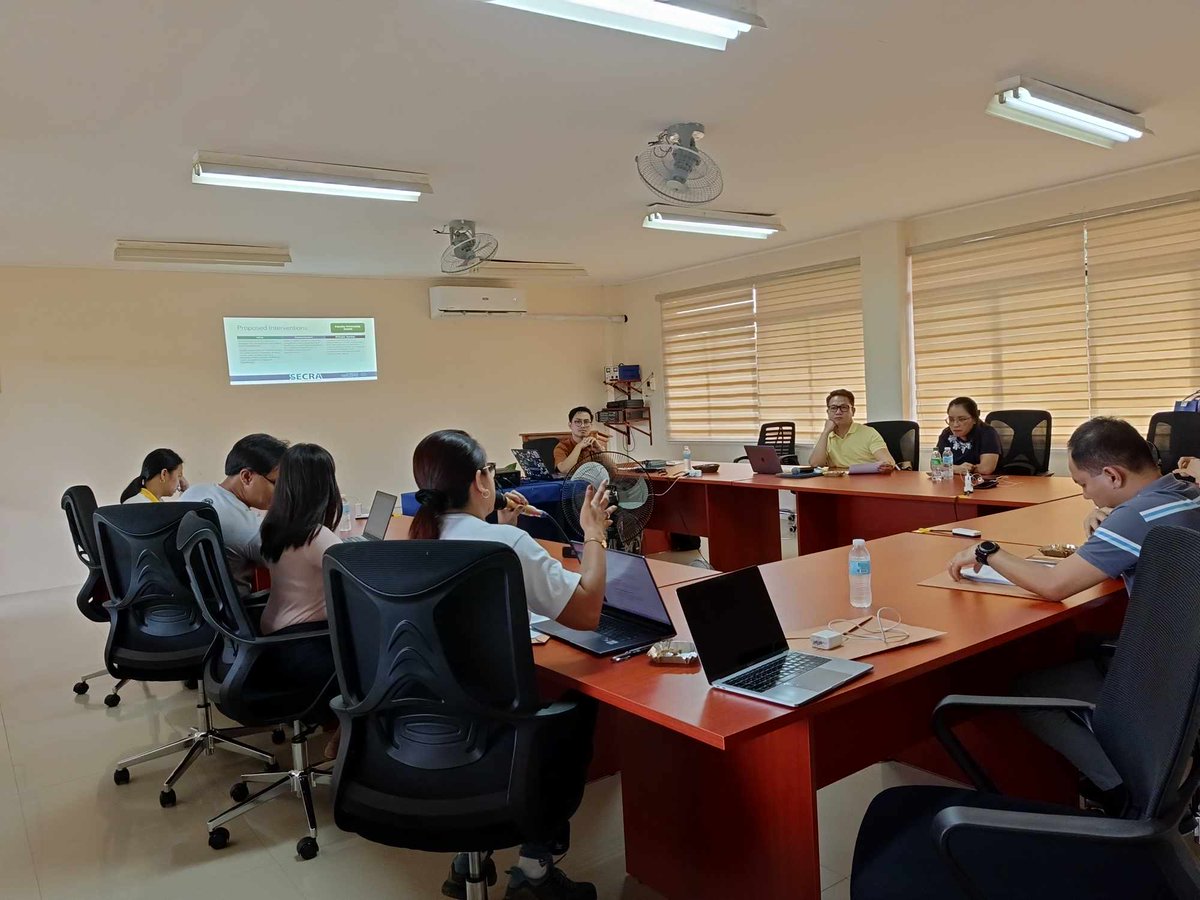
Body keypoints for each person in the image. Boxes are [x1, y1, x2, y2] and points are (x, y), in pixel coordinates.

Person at [945, 417, 1200, 809]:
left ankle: (1131, 796)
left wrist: (989, 552)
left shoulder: (1135, 519)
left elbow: (1054, 586)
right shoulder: (1185, 491)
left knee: (1032, 691)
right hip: (1187, 664)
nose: (1084, 496)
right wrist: (1109, 519)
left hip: (1164, 677)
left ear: (1113, 475)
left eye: (1084, 484)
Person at [412, 429, 612, 900]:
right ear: (482, 481)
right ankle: (533, 870)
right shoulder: (503, 544)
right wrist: (595, 535)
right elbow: (585, 612)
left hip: (424, 724)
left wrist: (501, 524)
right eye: (490, 472)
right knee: (578, 709)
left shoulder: (414, 539)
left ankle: (467, 857)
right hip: (496, 726)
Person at [257, 443, 343, 757]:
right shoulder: (315, 536)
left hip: (275, 641)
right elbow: (361, 580)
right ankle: (347, 730)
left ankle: (336, 726)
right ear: (325, 486)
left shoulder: (273, 528)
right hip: (304, 646)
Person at [180, 433, 288, 594]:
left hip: (182, 612)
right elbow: (292, 565)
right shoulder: (249, 528)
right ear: (246, 476)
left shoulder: (193, 492)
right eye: (277, 483)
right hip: (232, 616)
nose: (282, 492)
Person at [808, 389, 896, 469]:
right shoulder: (825, 436)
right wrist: (825, 432)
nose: (838, 412)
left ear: (853, 411)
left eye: (844, 407)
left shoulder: (869, 433)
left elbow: (888, 462)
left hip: (868, 481)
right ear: (828, 412)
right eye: (833, 408)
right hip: (838, 483)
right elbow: (815, 464)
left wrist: (886, 466)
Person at [934, 397, 1002, 476]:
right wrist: (957, 469)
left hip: (980, 483)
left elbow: (986, 469)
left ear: (974, 419)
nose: (955, 425)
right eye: (951, 419)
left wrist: (948, 468)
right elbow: (935, 464)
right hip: (953, 481)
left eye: (962, 419)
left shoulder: (988, 433)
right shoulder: (946, 433)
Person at [553, 406, 610, 475]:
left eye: (586, 422)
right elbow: (564, 470)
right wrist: (579, 446)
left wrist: (600, 450)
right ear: (570, 425)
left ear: (591, 425)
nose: (583, 425)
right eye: (578, 422)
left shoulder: (594, 445)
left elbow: (613, 470)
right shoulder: (562, 447)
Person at [120, 448, 188, 503]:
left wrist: (185, 491)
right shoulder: (138, 506)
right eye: (179, 475)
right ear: (163, 474)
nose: (181, 481)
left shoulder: (154, 503)